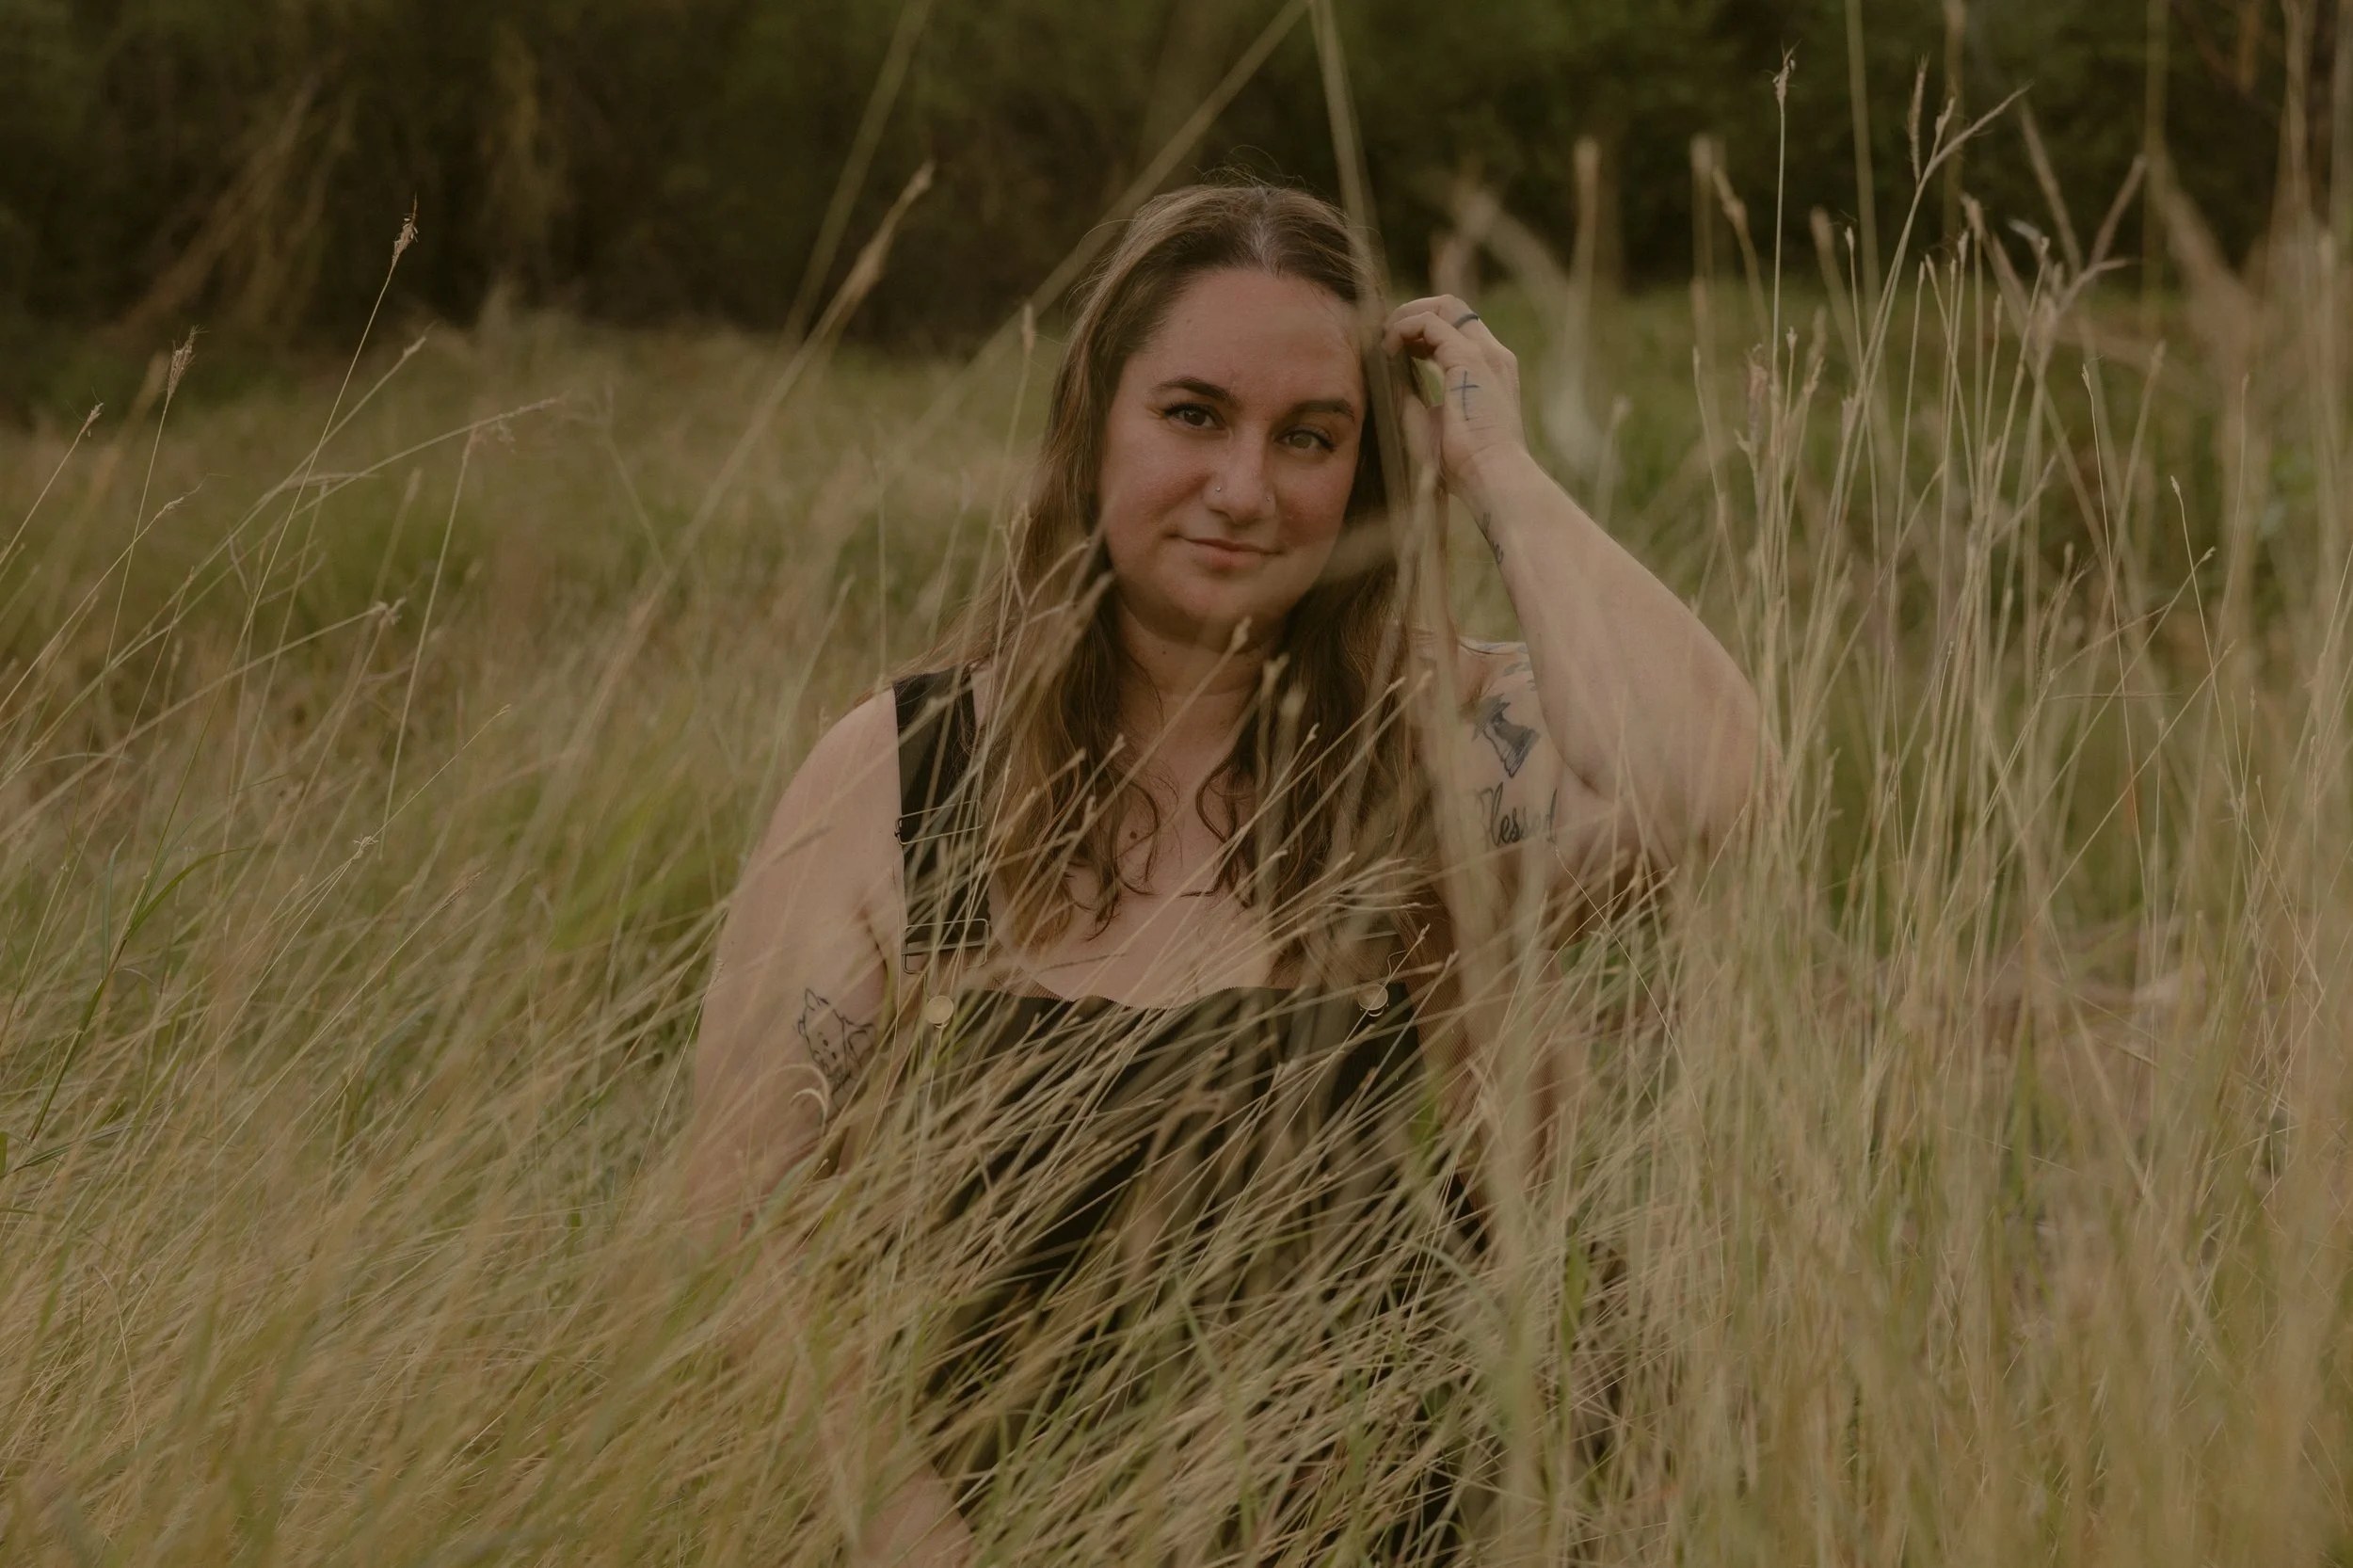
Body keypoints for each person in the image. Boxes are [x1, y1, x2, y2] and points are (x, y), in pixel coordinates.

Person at [684, 181, 1760, 1564]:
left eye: (1310, 438)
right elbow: (735, 1227)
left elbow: (1715, 783)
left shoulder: (1426, 745)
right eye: (1194, 415)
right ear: (1096, 427)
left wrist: (1502, 474)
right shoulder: (908, 774)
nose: (1246, 489)